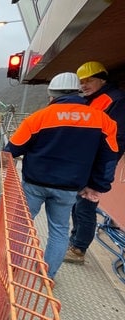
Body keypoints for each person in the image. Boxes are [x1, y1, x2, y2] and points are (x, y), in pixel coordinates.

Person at [4, 72, 118, 280]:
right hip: (69, 188)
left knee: (22, 224)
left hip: (34, 184)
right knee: (59, 231)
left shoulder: (38, 117)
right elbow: (109, 158)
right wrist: (97, 186)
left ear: (52, 95)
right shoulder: (102, 120)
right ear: (79, 93)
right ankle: (47, 276)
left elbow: (12, 149)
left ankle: (12, 268)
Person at [64, 61, 125, 264]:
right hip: (85, 163)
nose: (84, 85)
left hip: (96, 164)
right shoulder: (93, 100)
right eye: (81, 82)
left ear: (102, 79)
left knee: (85, 206)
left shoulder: (115, 100)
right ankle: (74, 241)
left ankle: (79, 249)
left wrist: (101, 169)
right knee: (77, 204)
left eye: (89, 80)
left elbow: (116, 139)